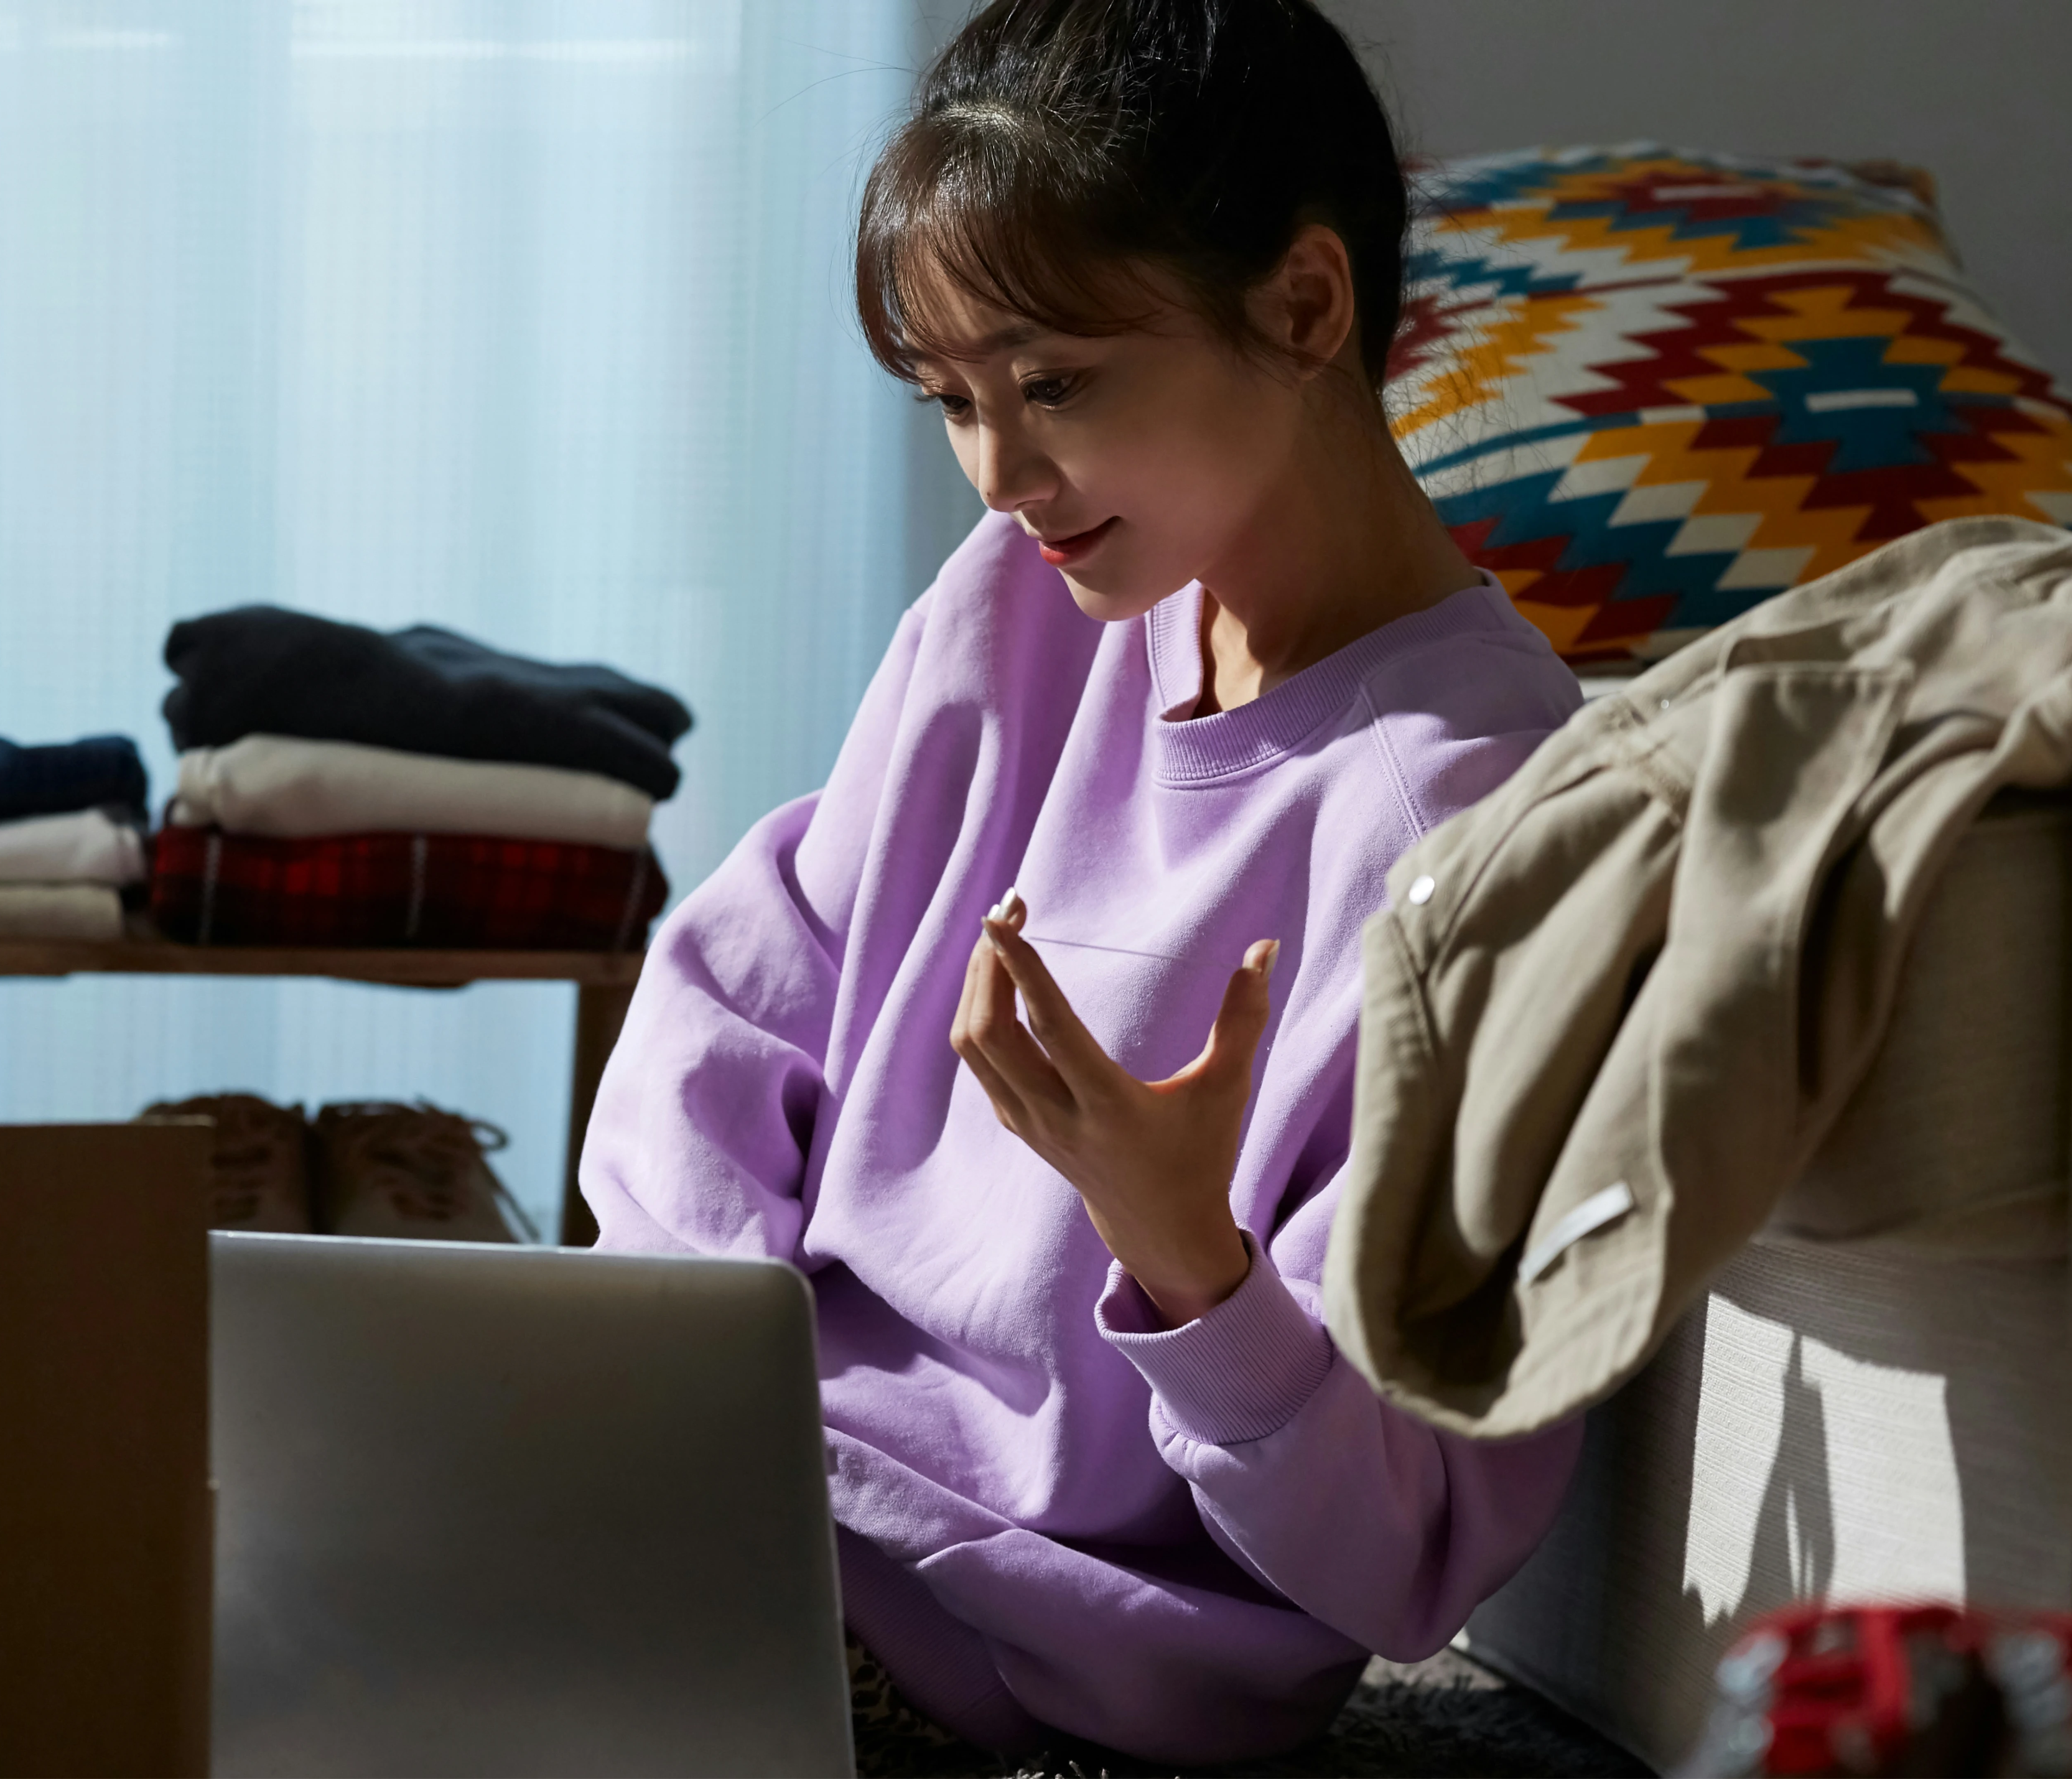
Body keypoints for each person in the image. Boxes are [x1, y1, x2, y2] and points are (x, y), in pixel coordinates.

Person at [582, 0, 1587, 1760]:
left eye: (1054, 386)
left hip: (991, 1679)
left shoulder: (1472, 819)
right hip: (734, 1530)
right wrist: (688, 1389)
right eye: (952, 402)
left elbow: (1408, 1553)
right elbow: (742, 996)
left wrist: (1188, 1257)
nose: (1004, 475)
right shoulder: (1016, 610)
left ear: (1303, 306)